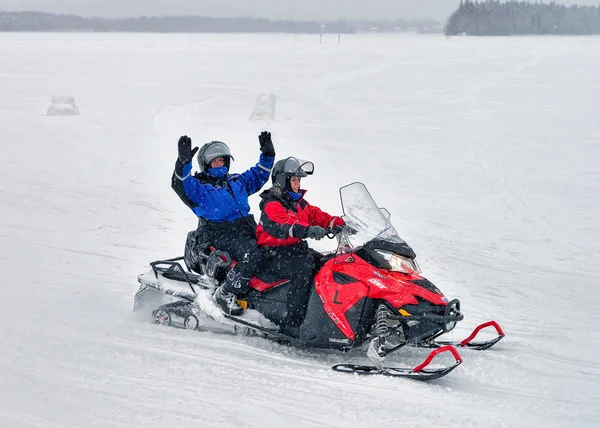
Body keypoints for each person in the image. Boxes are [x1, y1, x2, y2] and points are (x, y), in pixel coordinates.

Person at [171, 131, 275, 316]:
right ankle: (225, 293)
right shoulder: (200, 188)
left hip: (245, 228)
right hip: (220, 232)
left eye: (223, 160)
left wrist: (268, 156)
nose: (220, 164)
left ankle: (260, 296)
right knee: (251, 255)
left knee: (272, 251)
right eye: (216, 161)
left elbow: (258, 175)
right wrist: (183, 164)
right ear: (206, 164)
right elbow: (181, 185)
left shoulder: (236, 181)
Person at [255, 157, 344, 335]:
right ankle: (293, 322)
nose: (297, 184)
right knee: (304, 269)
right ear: (282, 181)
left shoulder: (300, 204)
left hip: (294, 250)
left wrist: (340, 223)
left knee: (327, 263)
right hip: (272, 253)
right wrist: (308, 230)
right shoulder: (272, 204)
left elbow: (320, 217)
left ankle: (324, 315)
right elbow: (284, 226)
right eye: (293, 180)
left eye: (298, 180)